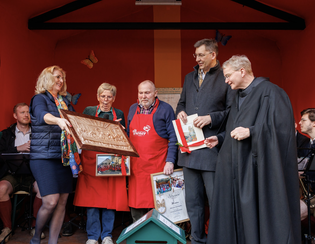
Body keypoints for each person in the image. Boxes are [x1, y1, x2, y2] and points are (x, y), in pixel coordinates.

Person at [205, 55, 300, 244]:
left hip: (257, 171)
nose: (226, 80)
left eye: (228, 75)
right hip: (234, 171)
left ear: (242, 71)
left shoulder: (272, 92)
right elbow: (233, 129)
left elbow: (283, 130)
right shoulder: (236, 97)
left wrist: (252, 131)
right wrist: (220, 137)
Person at [175, 38, 234, 244]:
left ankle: (219, 239)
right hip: (189, 151)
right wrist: (181, 112)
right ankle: (197, 240)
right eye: (196, 55)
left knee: (217, 201)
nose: (197, 58)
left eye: (201, 55)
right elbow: (181, 103)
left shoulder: (225, 77)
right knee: (193, 202)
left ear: (213, 55)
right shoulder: (189, 77)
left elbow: (232, 112)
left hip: (212, 149)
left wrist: (211, 118)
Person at [29, 65, 81, 244]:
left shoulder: (65, 102)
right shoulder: (39, 99)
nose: (60, 81)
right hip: (43, 158)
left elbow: (78, 124)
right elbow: (41, 115)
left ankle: (53, 242)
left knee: (62, 202)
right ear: (47, 79)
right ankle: (36, 238)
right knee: (50, 201)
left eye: (62, 78)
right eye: (56, 77)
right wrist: (58, 119)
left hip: (64, 158)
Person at [74, 83, 129, 244]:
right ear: (98, 97)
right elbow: (81, 133)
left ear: (114, 98)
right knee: (92, 201)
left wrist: (121, 130)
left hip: (110, 161)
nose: (105, 100)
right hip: (90, 161)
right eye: (103, 96)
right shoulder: (89, 111)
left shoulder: (118, 113)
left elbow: (123, 139)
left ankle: (106, 235)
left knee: (109, 200)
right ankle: (92, 236)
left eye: (109, 97)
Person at [127, 80, 177, 222]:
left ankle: (158, 235)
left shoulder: (166, 109)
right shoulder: (132, 109)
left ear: (155, 93)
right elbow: (129, 137)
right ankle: (138, 234)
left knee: (159, 202)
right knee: (136, 204)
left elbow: (174, 138)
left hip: (158, 167)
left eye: (147, 93)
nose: (144, 96)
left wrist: (170, 161)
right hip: (136, 167)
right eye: (141, 93)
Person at [0, 103, 44, 243]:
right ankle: (7, 228)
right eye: (22, 112)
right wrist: (19, 148)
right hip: (12, 174)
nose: (26, 115)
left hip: (33, 174)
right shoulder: (6, 134)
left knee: (43, 188)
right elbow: (1, 154)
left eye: (28, 112)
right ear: (15, 116)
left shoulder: (38, 133)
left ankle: (36, 227)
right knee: (1, 188)